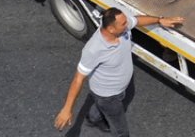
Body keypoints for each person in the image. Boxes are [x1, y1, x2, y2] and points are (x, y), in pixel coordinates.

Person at [53, 8, 184, 136]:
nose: (128, 24)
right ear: (111, 29)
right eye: (123, 23)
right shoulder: (93, 49)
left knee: (100, 108)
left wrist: (160, 20)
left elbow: (137, 21)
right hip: (108, 96)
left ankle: (93, 118)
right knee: (120, 129)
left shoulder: (122, 28)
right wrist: (67, 109)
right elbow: (78, 79)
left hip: (117, 89)